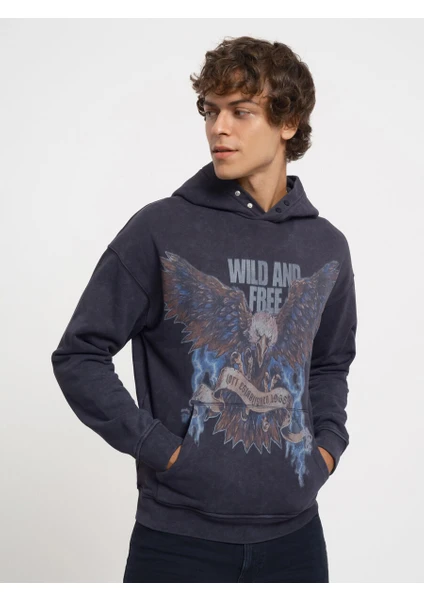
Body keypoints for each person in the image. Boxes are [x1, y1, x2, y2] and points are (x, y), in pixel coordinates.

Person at [51, 35, 358, 583]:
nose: (219, 128)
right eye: (211, 111)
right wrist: (165, 452)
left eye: (241, 111)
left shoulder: (325, 247)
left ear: (288, 123)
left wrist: (327, 448)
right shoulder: (161, 228)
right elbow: (79, 355)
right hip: (178, 540)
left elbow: (330, 363)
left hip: (296, 540)